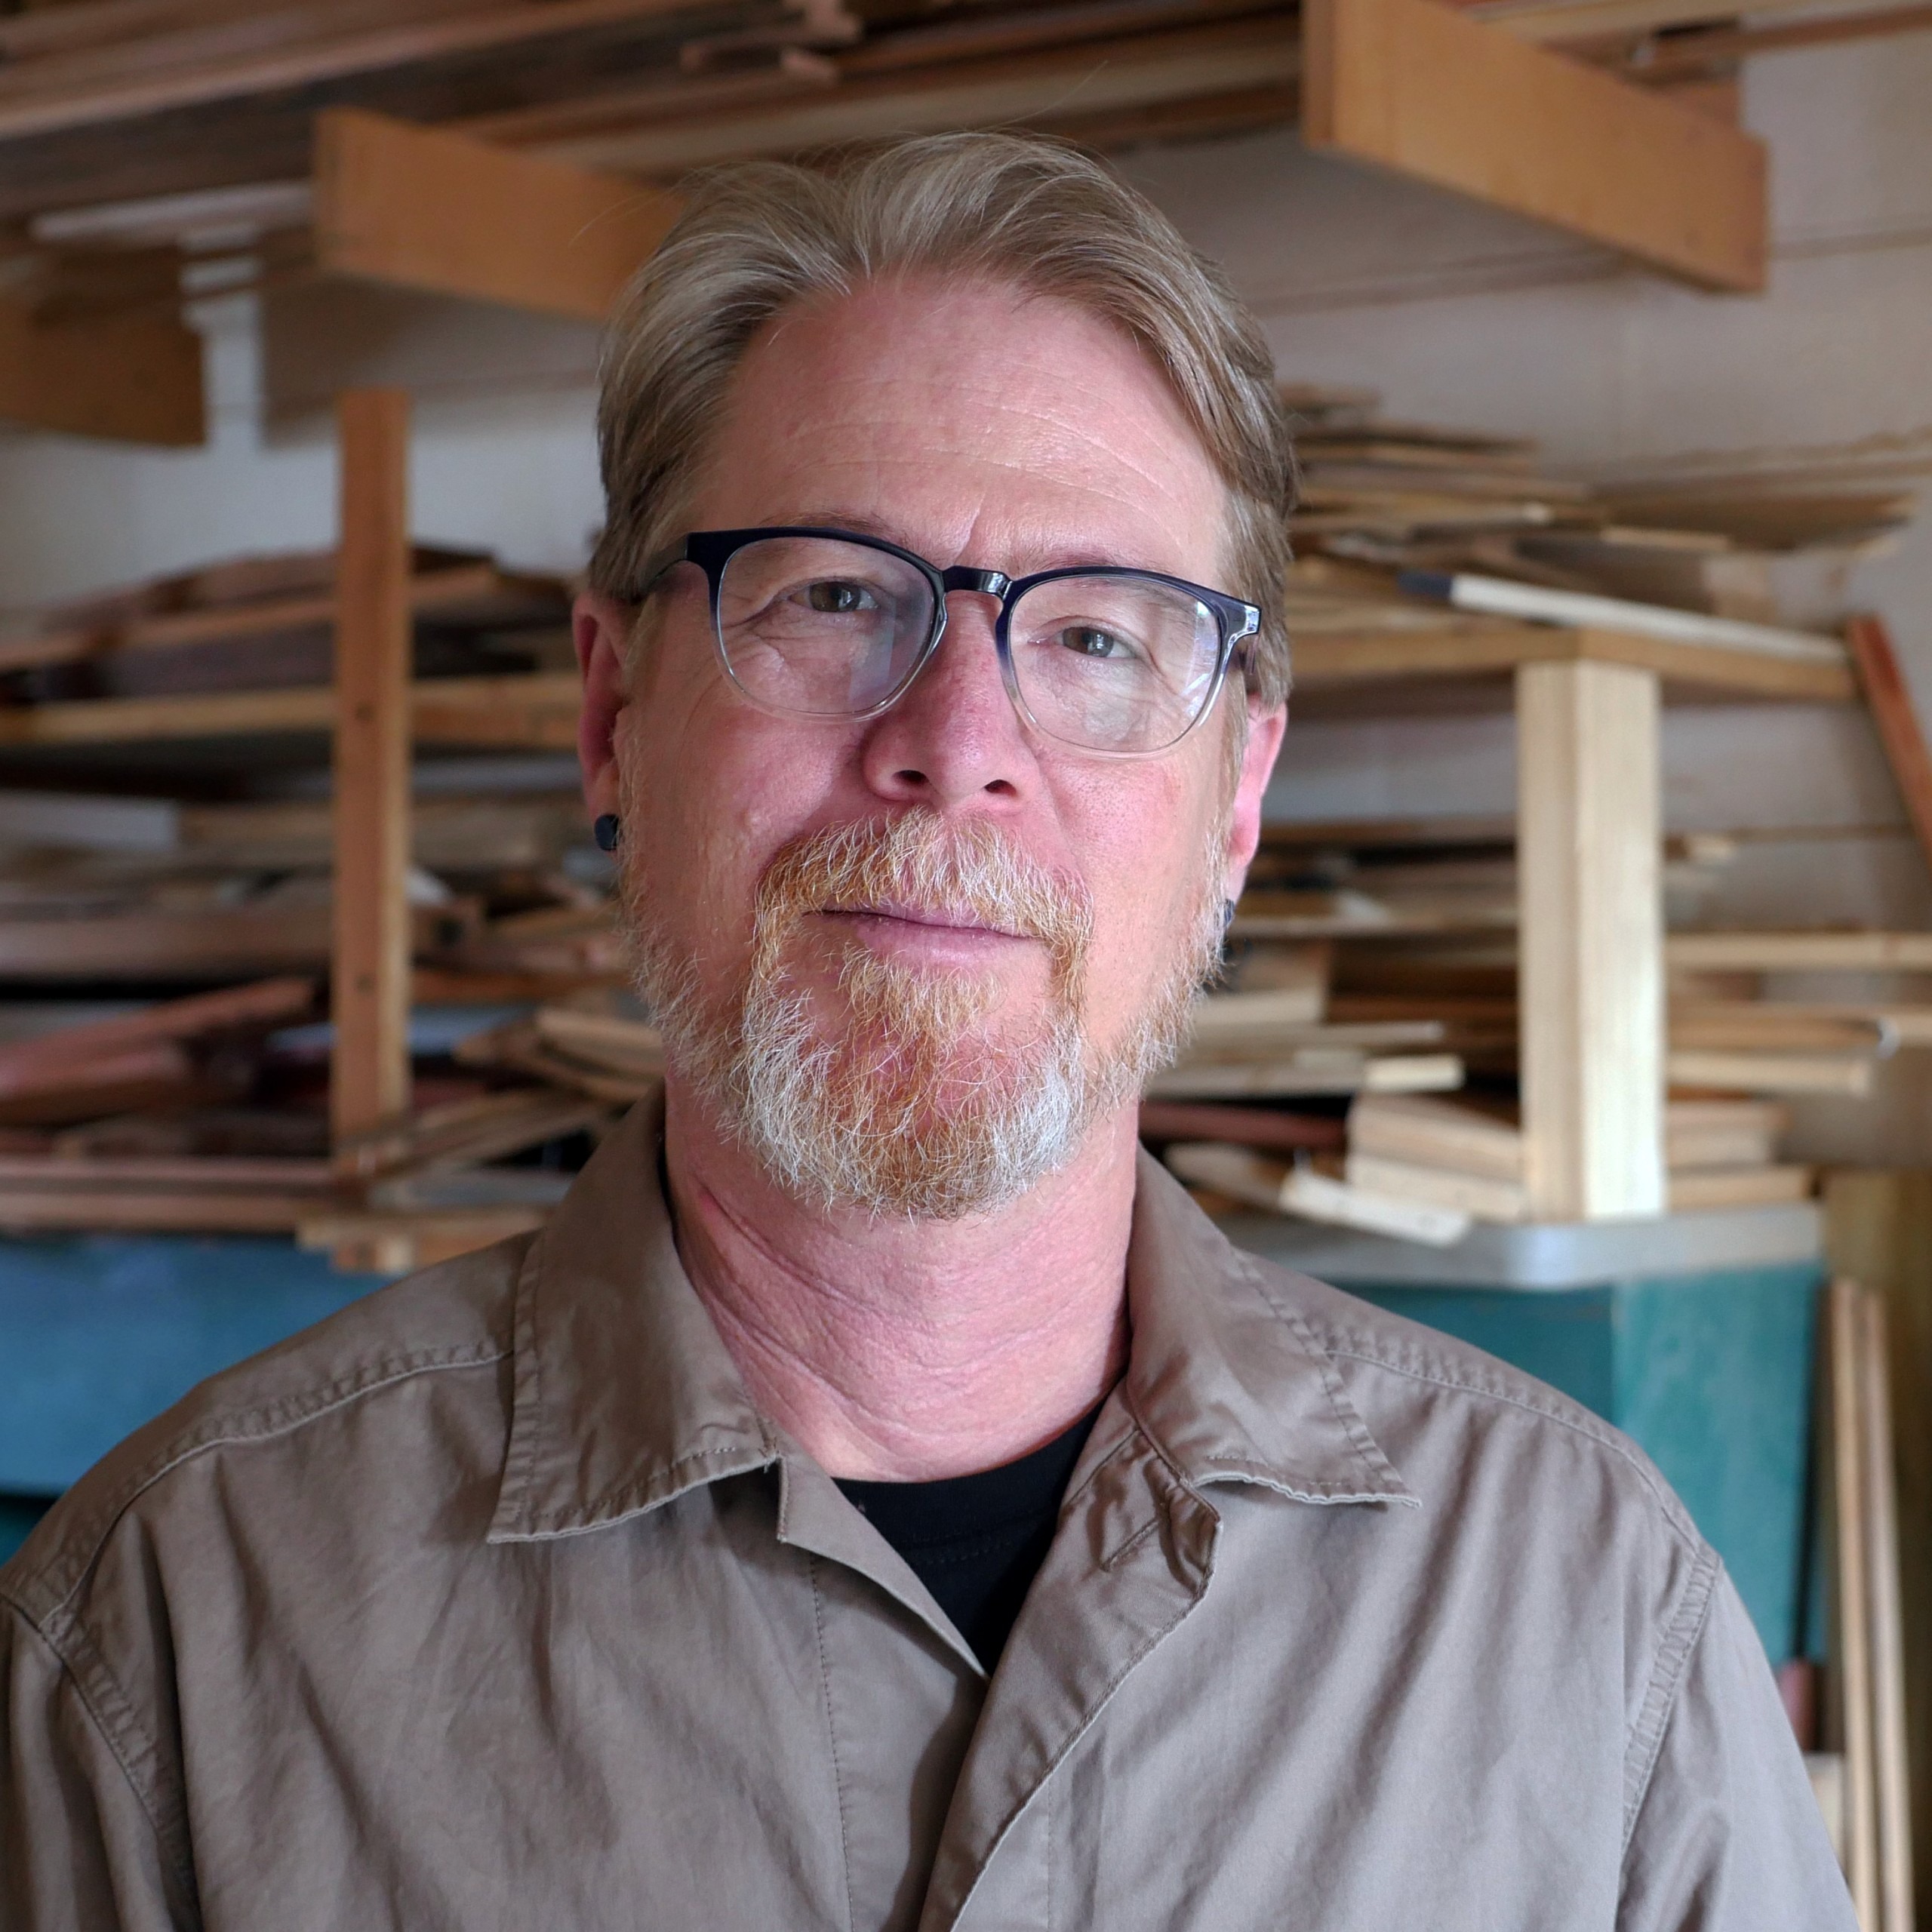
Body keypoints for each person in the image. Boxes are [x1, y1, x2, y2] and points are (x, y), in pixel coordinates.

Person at [1, 134, 1850, 1931]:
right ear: (611, 718)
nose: (956, 743)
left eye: (1099, 638)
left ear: (1234, 801)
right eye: (831, 594)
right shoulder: (173, 1640)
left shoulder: (1589, 1619)